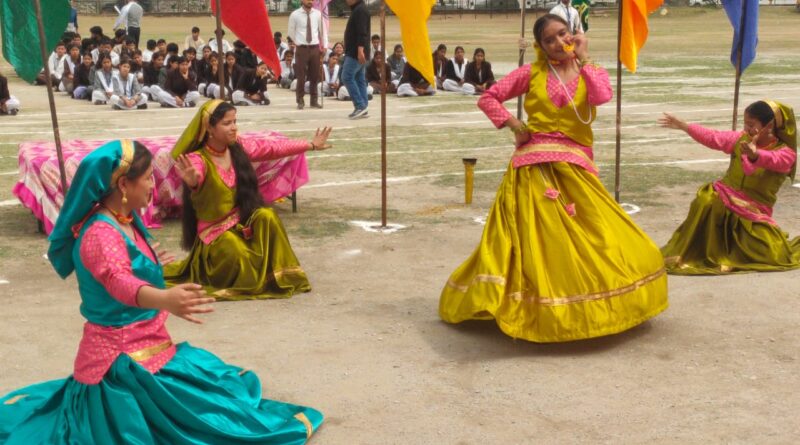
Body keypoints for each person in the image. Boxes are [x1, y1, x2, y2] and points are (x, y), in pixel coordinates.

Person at [0, 139, 322, 443]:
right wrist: (166, 297)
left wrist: (153, 268)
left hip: (147, 344)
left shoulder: (122, 219)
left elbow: (128, 269)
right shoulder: (100, 232)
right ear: (123, 184)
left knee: (215, 392)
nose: (154, 185)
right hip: (122, 362)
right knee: (210, 420)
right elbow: (118, 281)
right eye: (148, 179)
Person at [438, 14, 668, 343]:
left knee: (597, 235)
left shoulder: (591, 71)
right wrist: (513, 124)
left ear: (573, 34)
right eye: (550, 40)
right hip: (533, 165)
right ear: (541, 47)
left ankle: (590, 304)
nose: (559, 42)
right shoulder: (531, 73)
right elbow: (487, 97)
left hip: (575, 167)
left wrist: (584, 56)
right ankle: (533, 305)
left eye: (563, 34)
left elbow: (603, 96)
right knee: (539, 240)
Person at [164, 100, 333, 299]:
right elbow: (196, 175)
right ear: (209, 127)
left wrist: (310, 144)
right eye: (227, 123)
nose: (234, 127)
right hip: (214, 234)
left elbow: (272, 148)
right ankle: (249, 277)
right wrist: (193, 181)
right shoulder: (197, 160)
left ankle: (280, 276)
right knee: (239, 255)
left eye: (235, 121)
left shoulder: (238, 146)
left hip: (239, 220)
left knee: (267, 215)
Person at [659, 101, 800, 274]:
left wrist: (755, 154)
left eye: (751, 124)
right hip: (725, 194)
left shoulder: (786, 153)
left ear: (769, 125)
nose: (747, 128)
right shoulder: (740, 139)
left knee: (774, 254)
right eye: (745, 123)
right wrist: (684, 126)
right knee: (706, 200)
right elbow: (713, 137)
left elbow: (773, 160)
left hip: (754, 212)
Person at [288, 0, 323, 109]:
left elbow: (322, 32)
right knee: (301, 76)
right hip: (301, 48)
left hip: (315, 47)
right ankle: (300, 100)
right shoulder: (295, 15)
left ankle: (314, 100)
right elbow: (291, 32)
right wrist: (298, 42)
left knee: (314, 75)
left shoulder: (318, 14)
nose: (310, 1)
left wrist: (324, 46)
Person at [342, 0, 370, 119]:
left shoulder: (360, 10)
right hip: (357, 51)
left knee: (347, 76)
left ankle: (360, 106)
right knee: (359, 78)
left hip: (356, 52)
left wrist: (360, 50)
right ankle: (363, 106)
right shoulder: (358, 9)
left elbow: (362, 33)